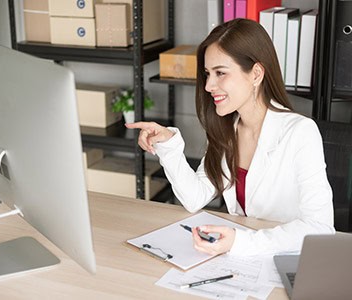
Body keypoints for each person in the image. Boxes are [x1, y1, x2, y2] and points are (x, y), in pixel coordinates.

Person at [126, 18, 334, 256]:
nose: (208, 85)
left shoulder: (300, 133)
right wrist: (168, 145)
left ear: (256, 74)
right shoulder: (226, 129)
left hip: (289, 258)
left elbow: (320, 228)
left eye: (220, 73)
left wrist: (241, 242)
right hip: (242, 260)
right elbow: (194, 198)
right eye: (207, 74)